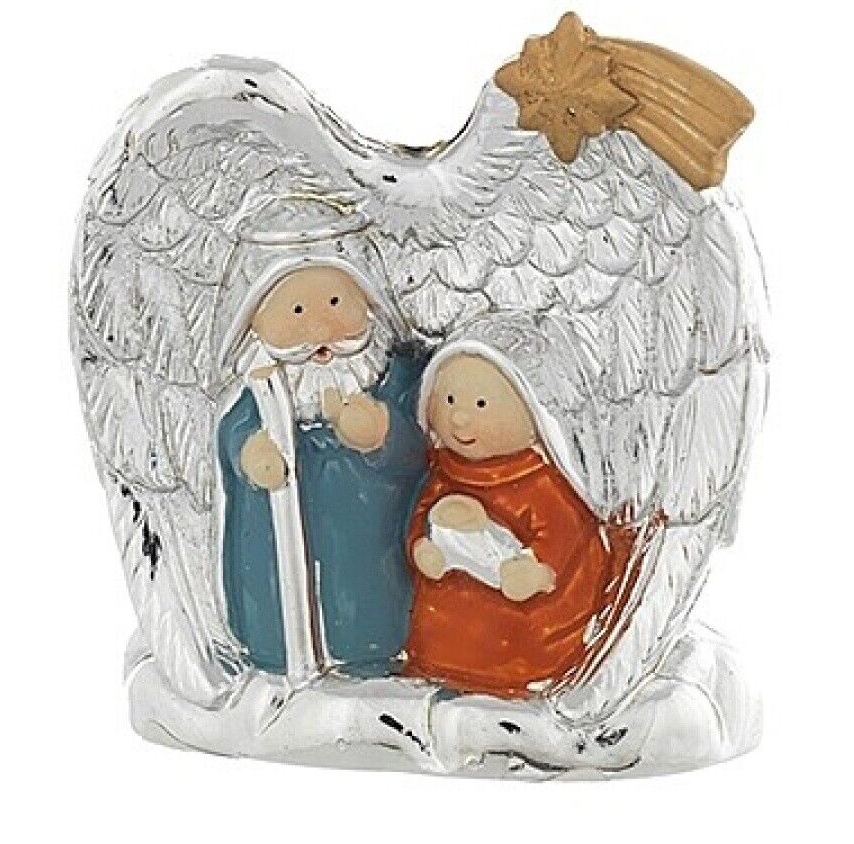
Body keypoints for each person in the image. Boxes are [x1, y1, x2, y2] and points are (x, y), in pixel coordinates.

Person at [219, 241, 427, 676]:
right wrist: (253, 454)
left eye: (335, 303)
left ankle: (373, 659)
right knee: (277, 601)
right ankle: (274, 659)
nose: (319, 329)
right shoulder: (264, 393)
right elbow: (235, 434)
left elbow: (422, 445)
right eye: (296, 312)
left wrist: (381, 432)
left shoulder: (393, 378)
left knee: (371, 605)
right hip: (281, 560)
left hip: (371, 545)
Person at [403, 324, 635, 697]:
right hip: (450, 629)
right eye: (449, 401)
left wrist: (537, 567)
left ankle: (520, 680)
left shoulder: (541, 483)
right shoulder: (443, 474)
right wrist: (421, 544)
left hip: (522, 634)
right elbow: (421, 514)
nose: (460, 418)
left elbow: (564, 533)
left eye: (480, 405)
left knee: (521, 636)